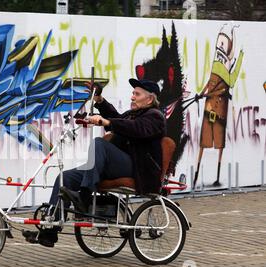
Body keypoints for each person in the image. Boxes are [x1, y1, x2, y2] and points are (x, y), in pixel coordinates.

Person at [23, 78, 166, 247]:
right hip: (117, 166)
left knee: (100, 144)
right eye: (133, 93)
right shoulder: (134, 114)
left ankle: (84, 196)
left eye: (137, 94)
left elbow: (135, 128)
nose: (132, 97)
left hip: (138, 168)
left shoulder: (155, 116)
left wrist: (106, 122)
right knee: (65, 178)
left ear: (149, 99)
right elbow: (118, 119)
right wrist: (99, 100)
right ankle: (49, 231)